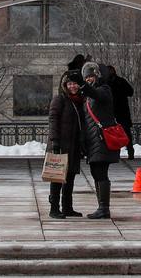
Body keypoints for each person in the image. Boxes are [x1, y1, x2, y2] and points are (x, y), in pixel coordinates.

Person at [79, 61, 121, 219]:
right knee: (96, 172)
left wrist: (84, 86)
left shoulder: (104, 90)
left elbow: (96, 94)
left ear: (97, 76)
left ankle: (104, 208)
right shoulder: (88, 96)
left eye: (90, 76)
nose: (88, 79)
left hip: (102, 140)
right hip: (94, 141)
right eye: (86, 77)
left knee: (101, 173)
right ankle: (101, 207)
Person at [46, 71, 85, 219]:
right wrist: (55, 141)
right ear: (65, 85)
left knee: (70, 177)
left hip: (74, 145)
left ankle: (67, 207)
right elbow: (53, 120)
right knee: (57, 177)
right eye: (70, 84)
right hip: (60, 144)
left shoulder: (80, 100)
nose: (72, 86)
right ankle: (54, 208)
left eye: (75, 83)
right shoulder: (60, 99)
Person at [105, 65, 135, 160]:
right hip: (122, 111)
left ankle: (114, 154)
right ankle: (130, 152)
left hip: (111, 112)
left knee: (110, 133)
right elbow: (130, 92)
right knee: (125, 133)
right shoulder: (121, 81)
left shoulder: (105, 83)